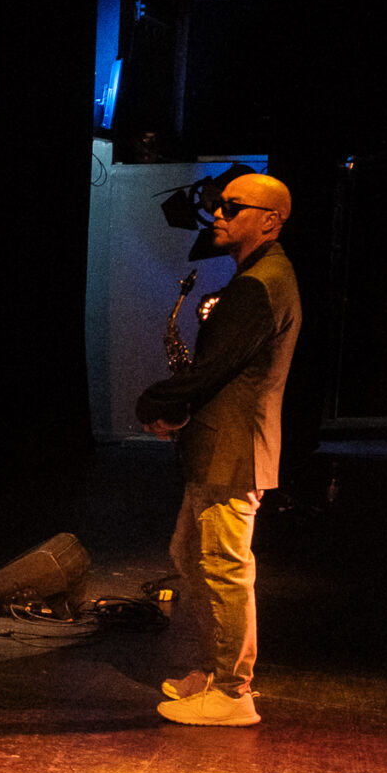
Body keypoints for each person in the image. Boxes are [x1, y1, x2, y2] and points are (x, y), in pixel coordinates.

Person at [136, 172, 302, 727]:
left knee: (223, 566)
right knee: (191, 555)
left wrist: (157, 402)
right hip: (220, 444)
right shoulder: (258, 277)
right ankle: (213, 670)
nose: (219, 215)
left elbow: (215, 369)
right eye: (220, 206)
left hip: (233, 448)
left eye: (233, 207)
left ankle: (233, 693)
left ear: (270, 221)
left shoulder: (259, 284)